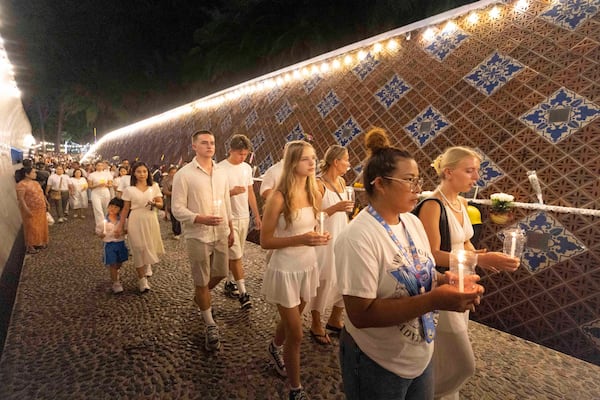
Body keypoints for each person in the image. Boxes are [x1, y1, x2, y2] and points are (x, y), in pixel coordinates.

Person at [334, 130, 484, 400]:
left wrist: (445, 280)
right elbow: (361, 314)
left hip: (420, 352)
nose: (417, 189)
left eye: (418, 180)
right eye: (409, 181)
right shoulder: (358, 237)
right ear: (380, 184)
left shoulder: (412, 222)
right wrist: (434, 300)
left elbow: (418, 271)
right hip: (376, 359)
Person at [414, 146, 519, 400]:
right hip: (441, 285)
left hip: (462, 281)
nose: (476, 177)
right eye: (469, 170)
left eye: (477, 171)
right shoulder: (433, 205)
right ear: (448, 172)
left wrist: (481, 257)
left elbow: (464, 242)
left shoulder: (461, 203)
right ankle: (420, 394)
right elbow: (434, 254)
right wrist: (480, 258)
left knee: (444, 353)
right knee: (463, 362)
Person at [260, 140, 330, 400]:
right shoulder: (279, 197)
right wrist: (301, 239)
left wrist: (320, 236)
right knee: (297, 333)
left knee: (291, 323)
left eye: (314, 158)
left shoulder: (315, 192)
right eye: (306, 159)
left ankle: (274, 346)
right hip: (285, 269)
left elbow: (311, 227)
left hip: (307, 265)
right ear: (293, 163)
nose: (313, 163)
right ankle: (295, 389)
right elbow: (266, 241)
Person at [171, 130, 234, 352]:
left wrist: (231, 228)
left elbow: (226, 202)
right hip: (197, 234)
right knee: (201, 278)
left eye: (213, 143)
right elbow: (177, 208)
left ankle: (201, 295)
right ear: (194, 146)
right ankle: (209, 323)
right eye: (204, 143)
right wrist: (199, 218)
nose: (210, 146)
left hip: (221, 231)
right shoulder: (184, 174)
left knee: (221, 272)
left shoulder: (221, 173)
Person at [309, 145, 354, 345]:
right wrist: (335, 208)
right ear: (336, 162)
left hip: (342, 236)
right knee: (325, 278)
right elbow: (314, 216)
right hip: (326, 238)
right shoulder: (318, 185)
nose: (349, 164)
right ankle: (316, 321)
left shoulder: (343, 182)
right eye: (346, 160)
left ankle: (335, 318)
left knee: (345, 277)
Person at [218, 134, 262, 309]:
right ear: (231, 151)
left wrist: (256, 215)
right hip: (229, 217)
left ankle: (230, 282)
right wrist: (231, 192)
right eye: (239, 154)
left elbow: (250, 191)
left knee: (238, 254)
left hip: (244, 215)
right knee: (235, 255)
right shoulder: (220, 168)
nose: (242, 157)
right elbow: (214, 195)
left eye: (245, 154)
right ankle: (243, 293)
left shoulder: (246, 168)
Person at [115, 162, 165, 293]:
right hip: (135, 219)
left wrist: (155, 203)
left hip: (150, 218)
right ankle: (142, 279)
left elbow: (161, 203)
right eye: (139, 171)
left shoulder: (153, 186)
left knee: (148, 245)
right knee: (138, 248)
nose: (142, 174)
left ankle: (147, 266)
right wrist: (120, 225)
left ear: (148, 173)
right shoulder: (129, 190)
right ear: (134, 173)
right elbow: (125, 209)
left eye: (144, 171)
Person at [96, 197, 128, 294]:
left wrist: (122, 232)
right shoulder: (103, 221)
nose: (112, 209)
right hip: (109, 244)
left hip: (120, 243)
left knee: (119, 263)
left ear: (120, 209)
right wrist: (101, 235)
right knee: (113, 263)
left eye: (115, 207)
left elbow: (127, 229)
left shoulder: (123, 221)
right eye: (111, 206)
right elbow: (98, 231)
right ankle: (115, 283)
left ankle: (115, 273)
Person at [16, 167, 50, 254]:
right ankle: (30, 246)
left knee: (41, 226)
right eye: (33, 172)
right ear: (27, 174)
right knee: (31, 227)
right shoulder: (21, 185)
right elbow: (21, 199)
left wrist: (46, 202)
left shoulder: (35, 183)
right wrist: (26, 209)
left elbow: (41, 193)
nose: (35, 174)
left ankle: (39, 242)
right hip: (30, 209)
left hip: (40, 208)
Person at [88, 161, 113, 227]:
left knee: (106, 209)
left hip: (105, 192)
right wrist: (97, 185)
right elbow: (90, 186)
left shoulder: (107, 174)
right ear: (95, 166)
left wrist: (106, 184)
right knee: (98, 210)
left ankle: (107, 225)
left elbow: (110, 184)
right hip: (96, 193)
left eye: (101, 165)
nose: (100, 167)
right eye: (98, 165)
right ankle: (100, 227)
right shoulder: (91, 175)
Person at [160, 166, 181, 239]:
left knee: (179, 217)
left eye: (175, 172)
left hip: (179, 201)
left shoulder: (180, 180)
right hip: (171, 202)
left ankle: (179, 231)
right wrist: (174, 193)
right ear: (169, 173)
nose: (174, 174)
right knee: (173, 217)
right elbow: (165, 191)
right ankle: (176, 231)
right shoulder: (166, 181)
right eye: (172, 173)